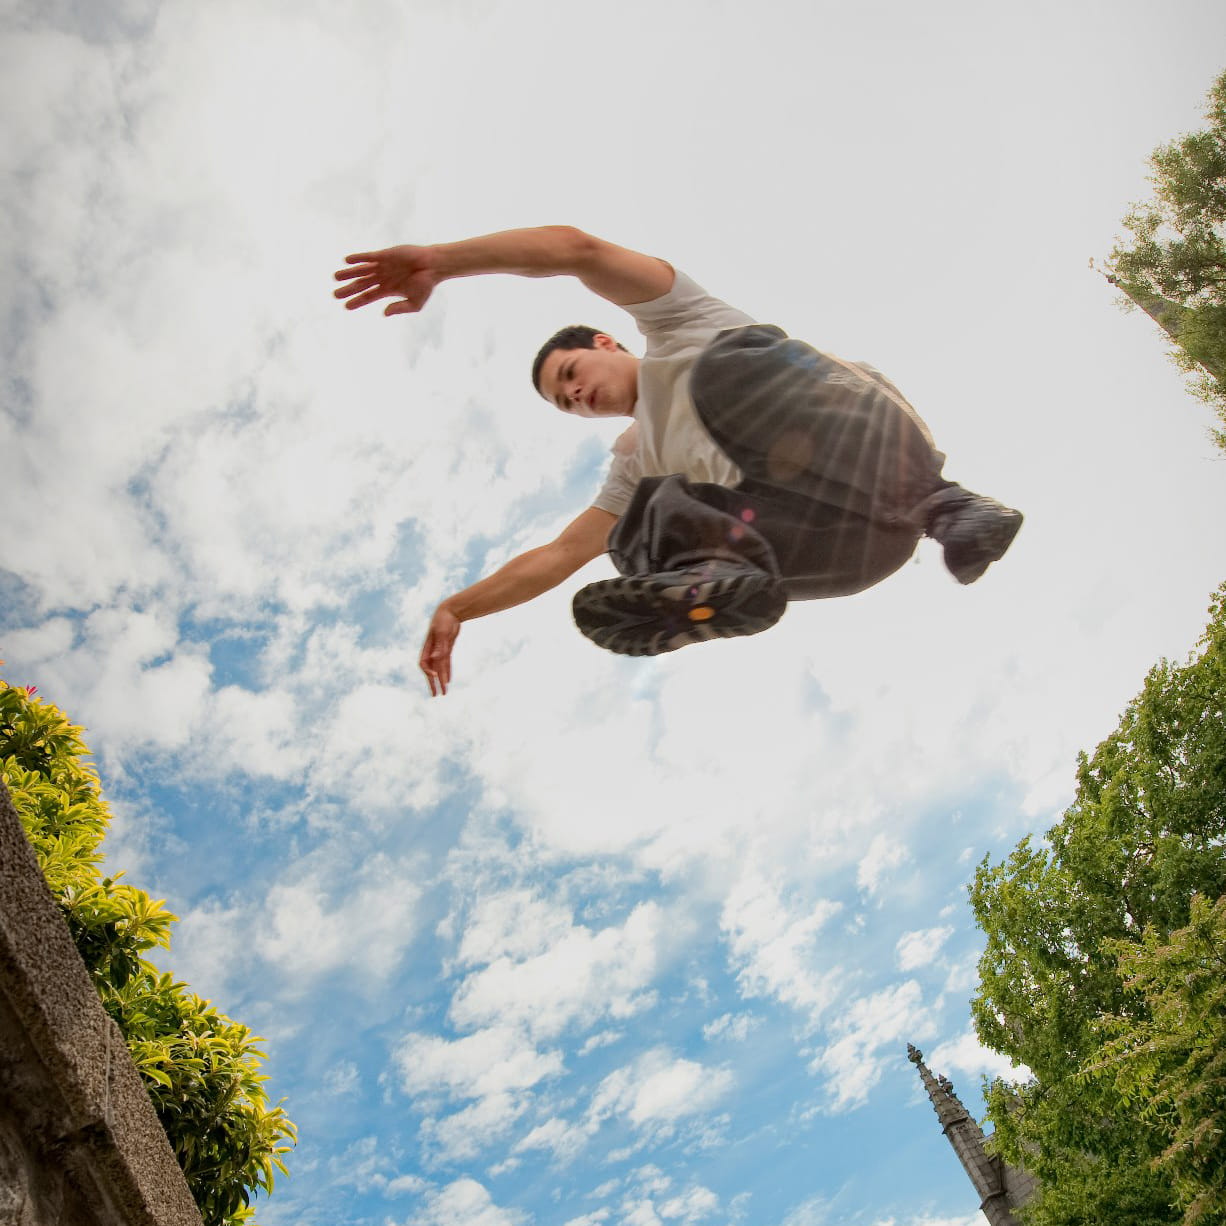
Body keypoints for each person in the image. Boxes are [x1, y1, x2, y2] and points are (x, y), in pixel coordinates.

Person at [334, 226, 1021, 695]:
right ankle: (715, 583)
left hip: (876, 444)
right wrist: (458, 607)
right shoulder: (636, 463)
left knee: (721, 369)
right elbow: (557, 555)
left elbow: (576, 249)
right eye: (566, 402)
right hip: (852, 551)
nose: (576, 393)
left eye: (572, 372)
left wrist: (444, 262)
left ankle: (951, 505)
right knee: (636, 532)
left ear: (605, 340)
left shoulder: (679, 322)